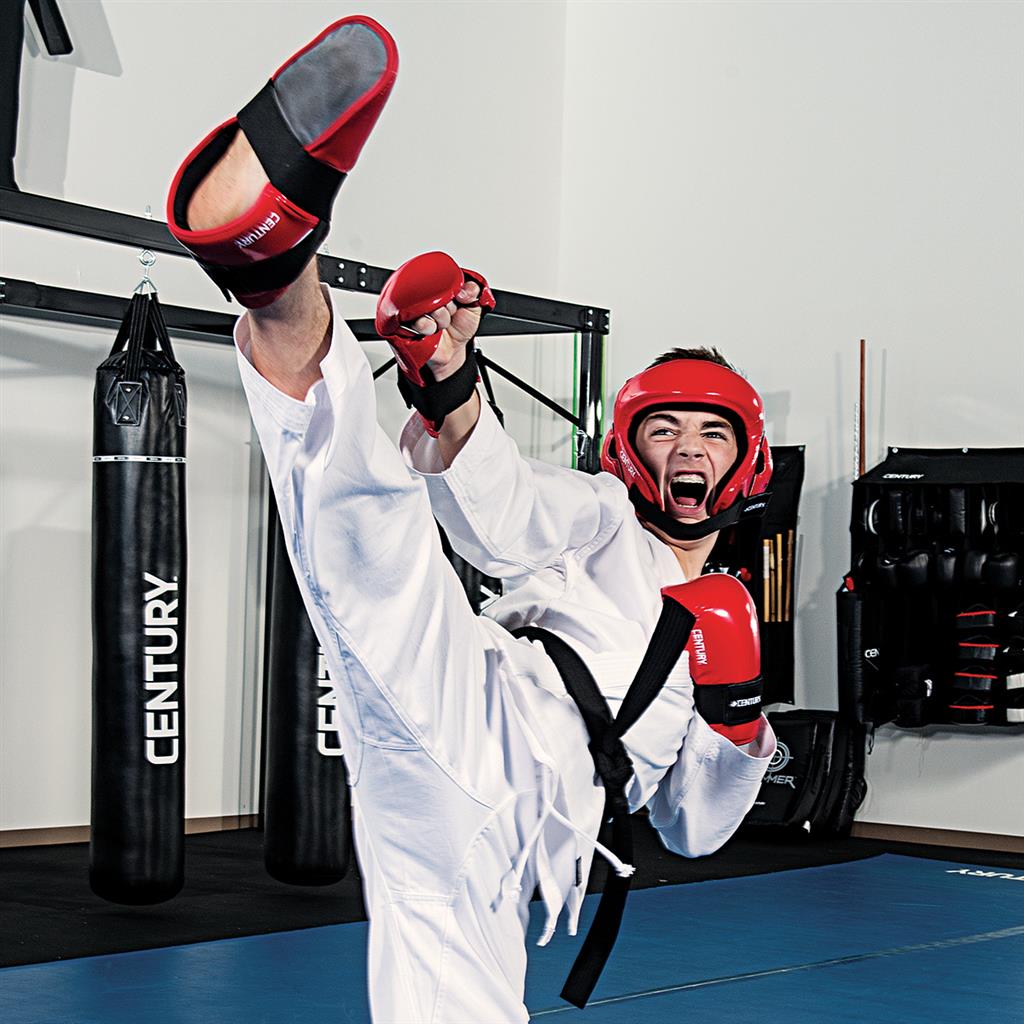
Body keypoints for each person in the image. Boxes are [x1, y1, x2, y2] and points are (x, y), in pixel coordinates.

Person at [166, 15, 776, 1023]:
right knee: (380, 550)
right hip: (489, 703)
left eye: (709, 433)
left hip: (531, 831)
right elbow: (500, 521)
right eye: (663, 429)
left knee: (452, 1002)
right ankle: (274, 273)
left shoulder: (730, 619)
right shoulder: (600, 516)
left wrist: (740, 711)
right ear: (631, 451)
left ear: (744, 458)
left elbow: (695, 828)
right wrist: (448, 386)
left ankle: (276, 275)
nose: (685, 450)